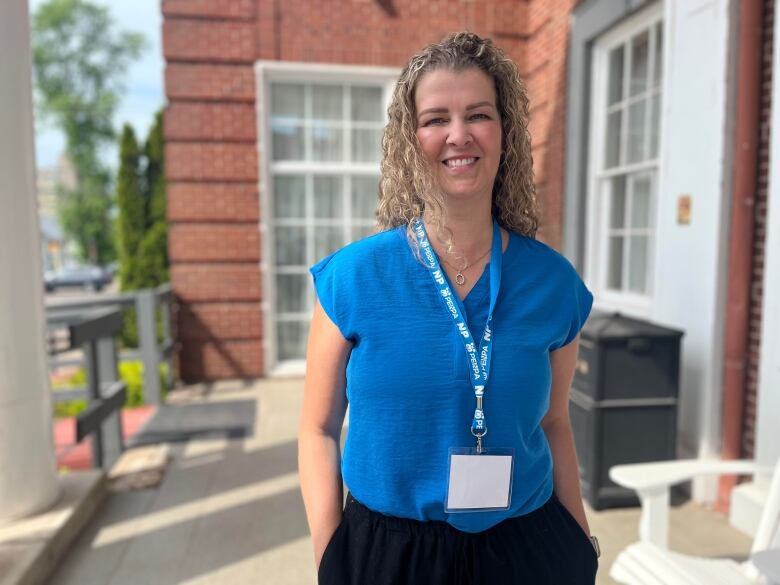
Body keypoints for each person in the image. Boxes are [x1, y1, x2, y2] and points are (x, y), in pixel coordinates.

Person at [298, 31, 598, 584]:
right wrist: (329, 556)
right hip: (389, 557)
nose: (458, 135)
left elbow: (554, 423)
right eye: (436, 118)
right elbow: (317, 428)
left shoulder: (553, 284)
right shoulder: (352, 278)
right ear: (410, 139)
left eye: (478, 114)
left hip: (527, 551)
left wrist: (581, 543)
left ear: (504, 132)